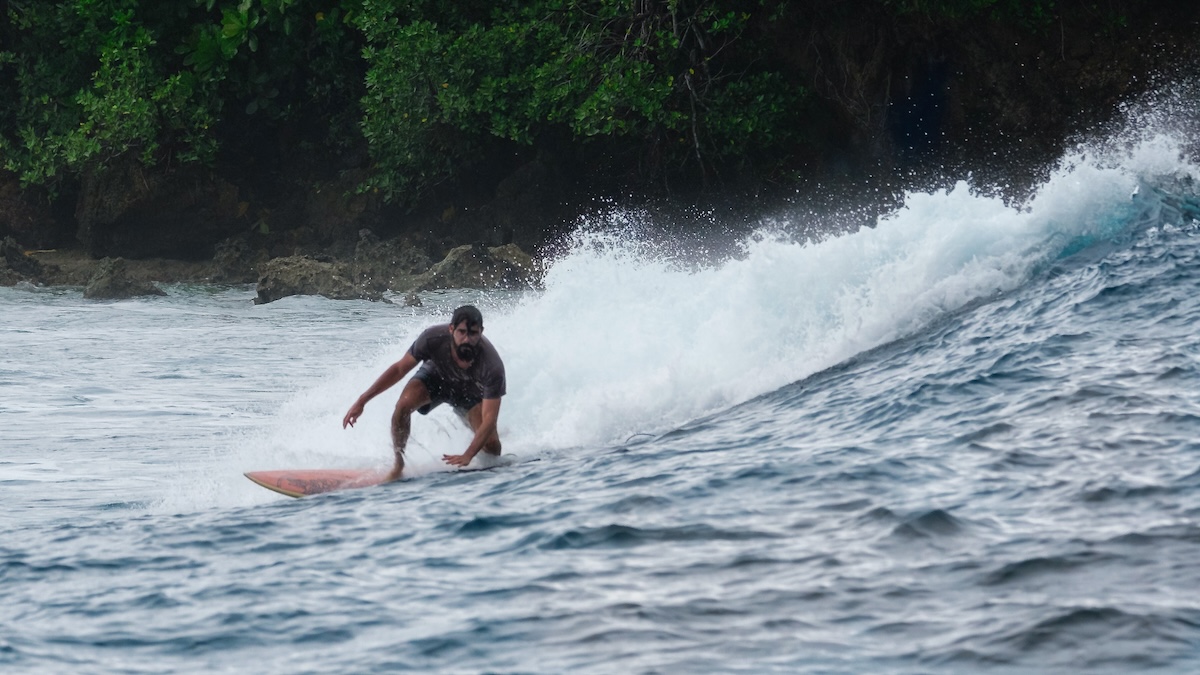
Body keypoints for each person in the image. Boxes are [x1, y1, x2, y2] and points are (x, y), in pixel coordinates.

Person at [342, 305, 505, 481]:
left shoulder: (492, 365)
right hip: (434, 380)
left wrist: (468, 455)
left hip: (468, 394)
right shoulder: (432, 338)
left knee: (493, 448)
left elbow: (490, 419)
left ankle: (475, 431)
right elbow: (399, 369)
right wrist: (362, 401)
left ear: (481, 332)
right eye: (461, 332)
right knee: (403, 405)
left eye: (473, 333)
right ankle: (398, 464)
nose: (466, 339)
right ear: (451, 329)